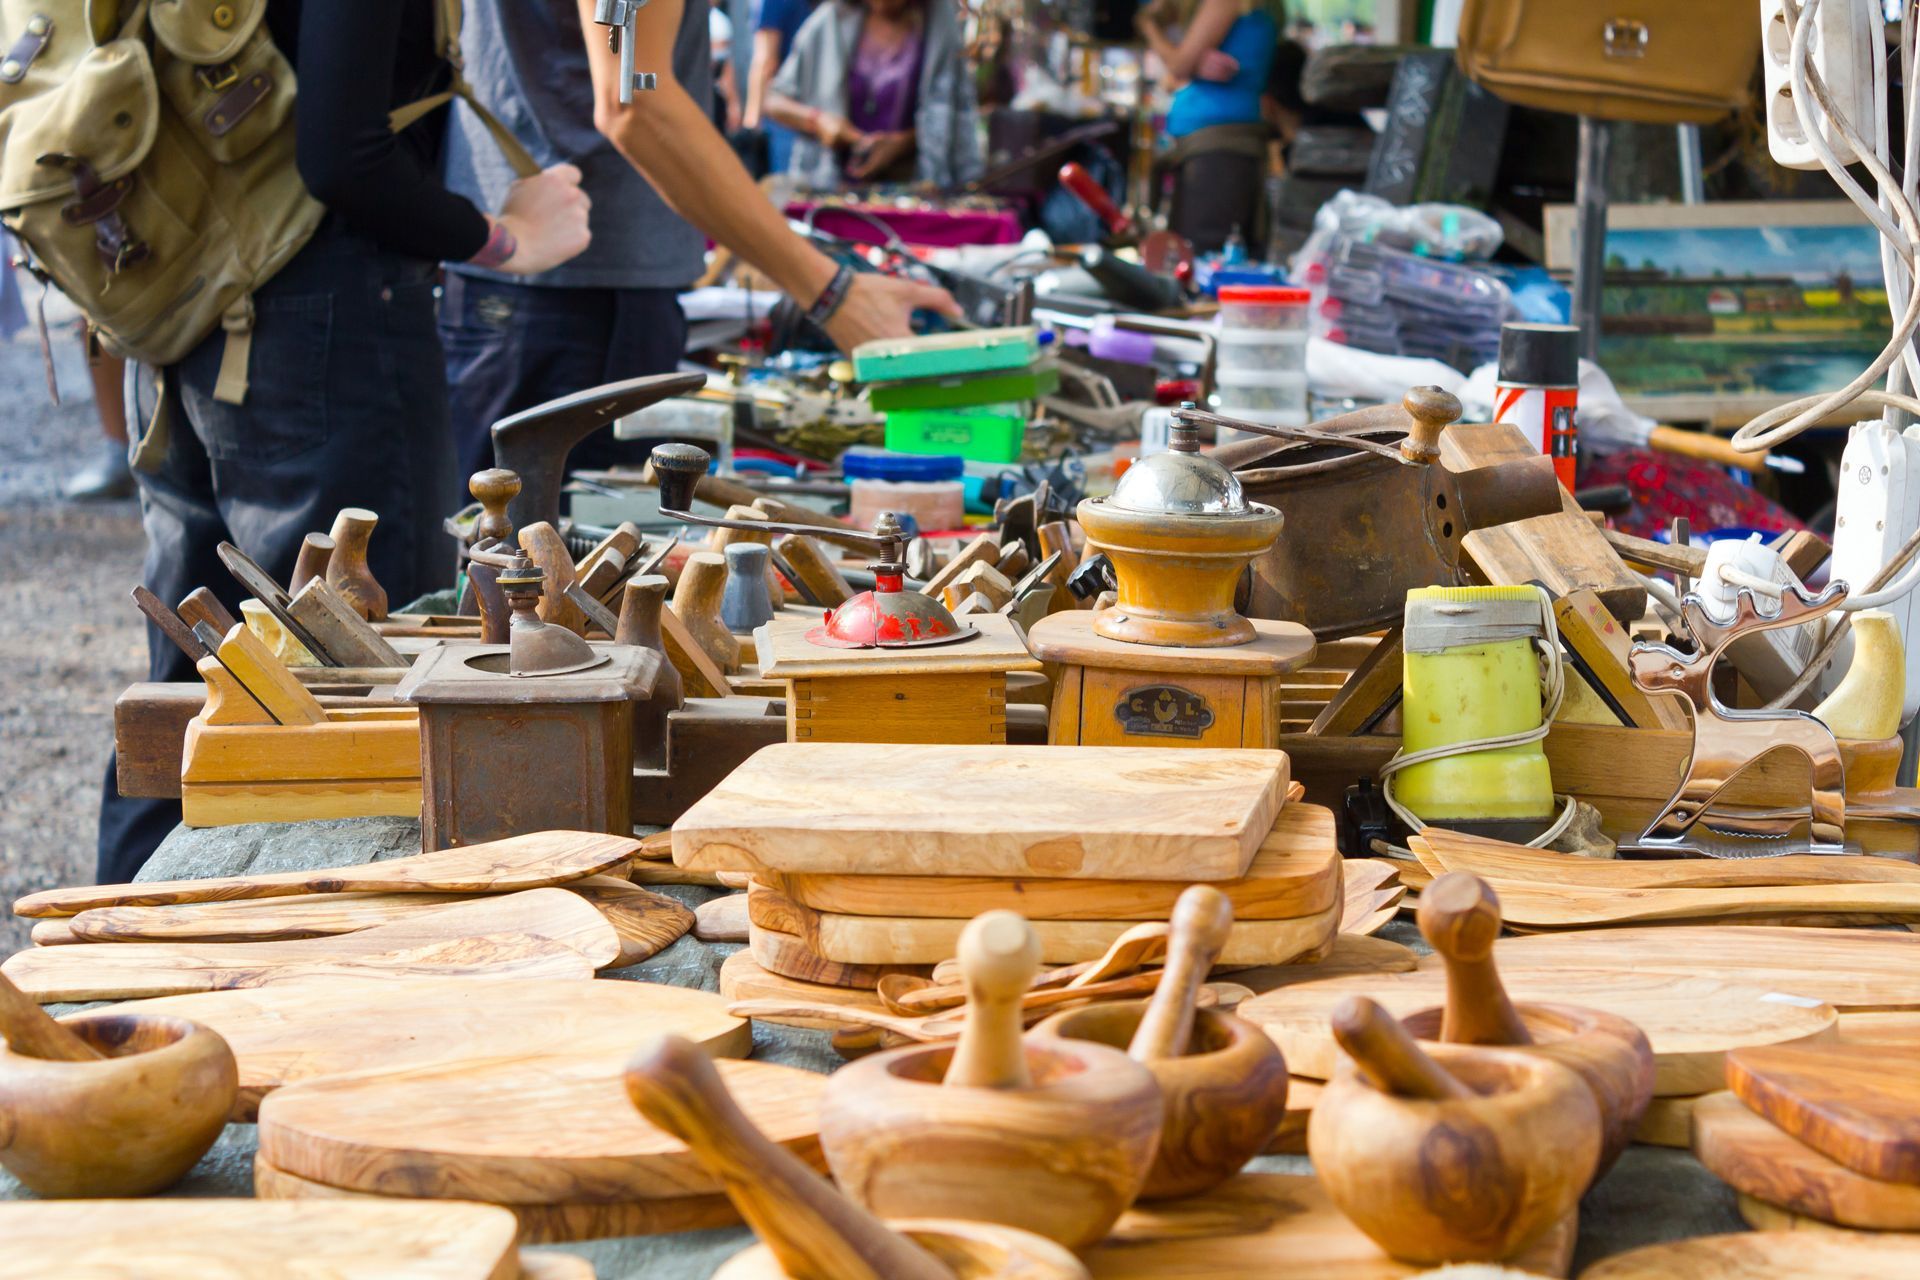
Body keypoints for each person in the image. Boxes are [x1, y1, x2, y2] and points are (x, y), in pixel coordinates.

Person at [97, 0, 592, 883]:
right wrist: (502, 238)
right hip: (322, 333)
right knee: (354, 681)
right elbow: (342, 155)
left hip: (180, 306)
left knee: (193, 676)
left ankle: (111, 962)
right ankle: (324, 970)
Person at [437, 0, 959, 484]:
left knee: (540, 563)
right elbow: (634, 103)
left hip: (577, 287)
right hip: (560, 301)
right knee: (516, 565)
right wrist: (833, 293)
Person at [762, 0, 982, 189]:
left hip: (912, 189)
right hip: (834, 190)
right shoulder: (830, 23)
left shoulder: (938, 30)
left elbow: (952, 116)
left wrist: (900, 143)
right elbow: (772, 99)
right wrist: (818, 121)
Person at [1137, 0, 1285, 253]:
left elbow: (1178, 65)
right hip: (1222, 141)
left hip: (1217, 143)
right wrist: (1195, 62)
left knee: (1203, 251)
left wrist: (1147, 25)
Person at [742, 0, 817, 175]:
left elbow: (766, 60)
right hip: (810, 106)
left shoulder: (770, 2)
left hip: (782, 111)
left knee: (781, 189)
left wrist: (752, 120)